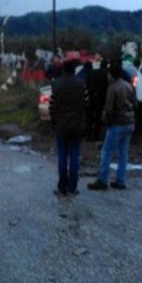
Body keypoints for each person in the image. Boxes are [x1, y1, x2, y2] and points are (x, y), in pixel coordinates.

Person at [88, 59, 137, 191]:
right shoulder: (128, 85)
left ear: (111, 75)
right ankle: (121, 180)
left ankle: (103, 180)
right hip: (129, 122)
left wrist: (105, 121)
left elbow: (108, 109)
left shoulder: (113, 88)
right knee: (123, 152)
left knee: (107, 151)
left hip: (117, 123)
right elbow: (135, 104)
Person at [50, 58, 87, 196]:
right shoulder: (81, 84)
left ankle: (62, 187)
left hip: (61, 126)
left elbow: (52, 107)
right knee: (75, 156)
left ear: (63, 69)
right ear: (74, 69)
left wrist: (54, 122)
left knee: (62, 156)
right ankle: (72, 187)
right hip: (77, 125)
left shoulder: (57, 84)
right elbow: (86, 104)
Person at [85, 52, 108, 141]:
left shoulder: (89, 73)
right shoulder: (104, 73)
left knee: (89, 118)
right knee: (97, 117)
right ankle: (96, 136)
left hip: (91, 97)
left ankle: (89, 136)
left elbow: (87, 84)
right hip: (99, 98)